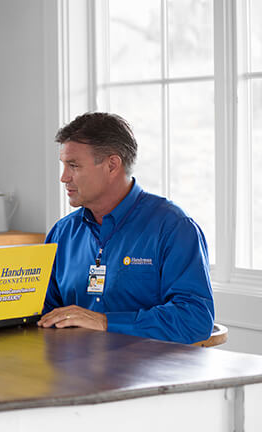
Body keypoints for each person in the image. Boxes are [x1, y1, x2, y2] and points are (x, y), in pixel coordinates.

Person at [37, 112, 214, 344]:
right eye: (64, 166)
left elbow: (194, 319)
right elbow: (43, 314)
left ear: (112, 165)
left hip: (147, 366)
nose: (63, 177)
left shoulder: (173, 228)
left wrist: (105, 322)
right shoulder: (62, 233)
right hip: (71, 364)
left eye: (73, 166)